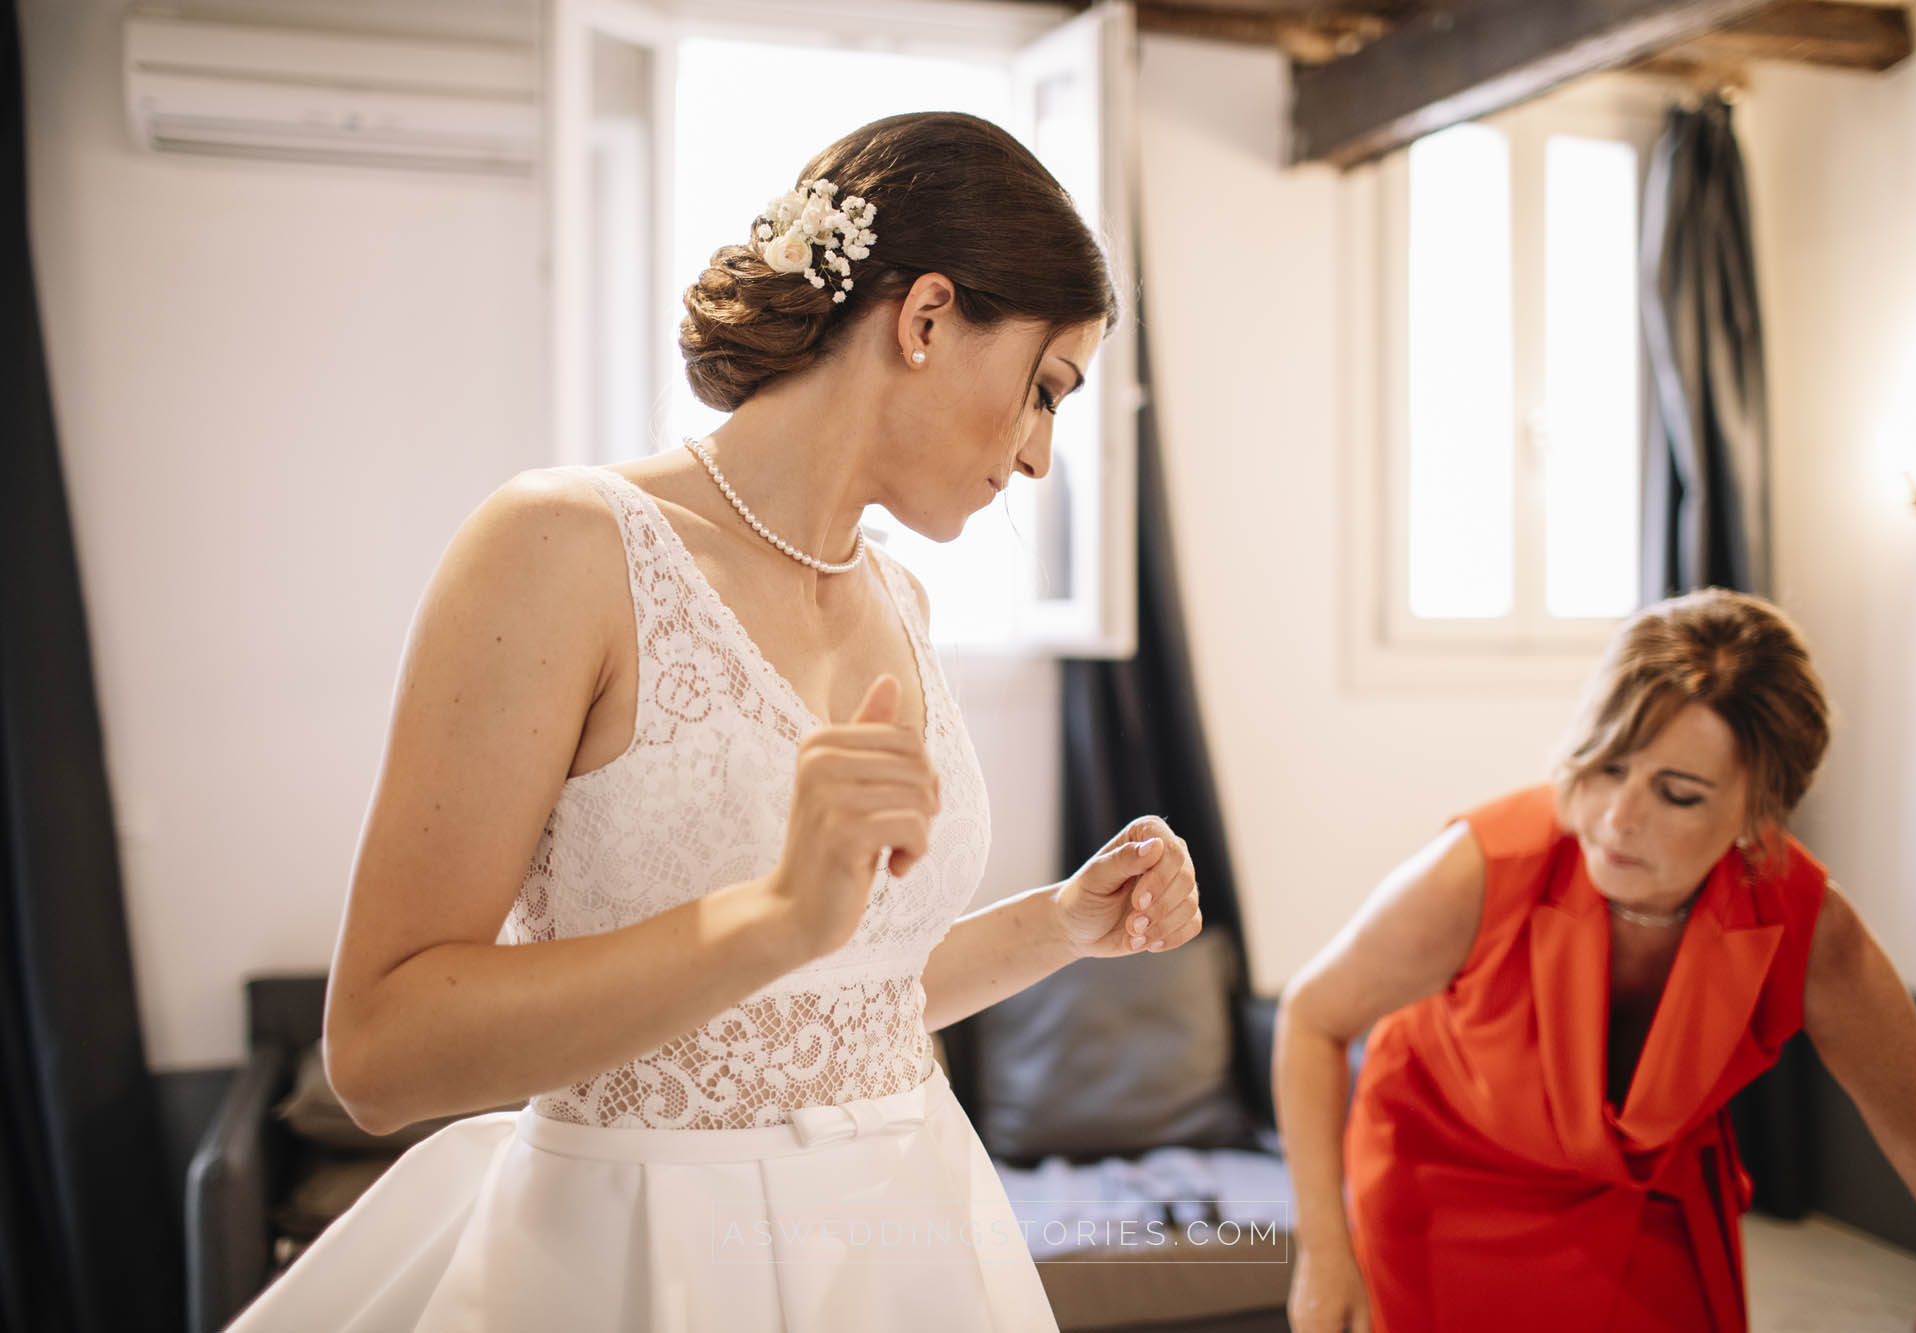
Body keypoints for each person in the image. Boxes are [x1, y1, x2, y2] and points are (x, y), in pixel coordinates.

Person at [224, 111, 1205, 1333]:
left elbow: (838, 994)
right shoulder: (561, 549)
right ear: (927, 318)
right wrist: (767, 915)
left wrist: (1059, 924)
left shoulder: (901, 602)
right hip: (650, 1260)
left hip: (908, 1246)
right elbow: (378, 1052)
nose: (1040, 455)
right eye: (1043, 390)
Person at [1273, 588, 1916, 1332]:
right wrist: (1326, 1255)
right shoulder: (1481, 869)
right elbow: (1311, 1016)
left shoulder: (1809, 932)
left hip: (1638, 1202)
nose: (1620, 818)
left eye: (1678, 794)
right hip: (1444, 1178)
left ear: (1760, 813)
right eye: (1609, 765)